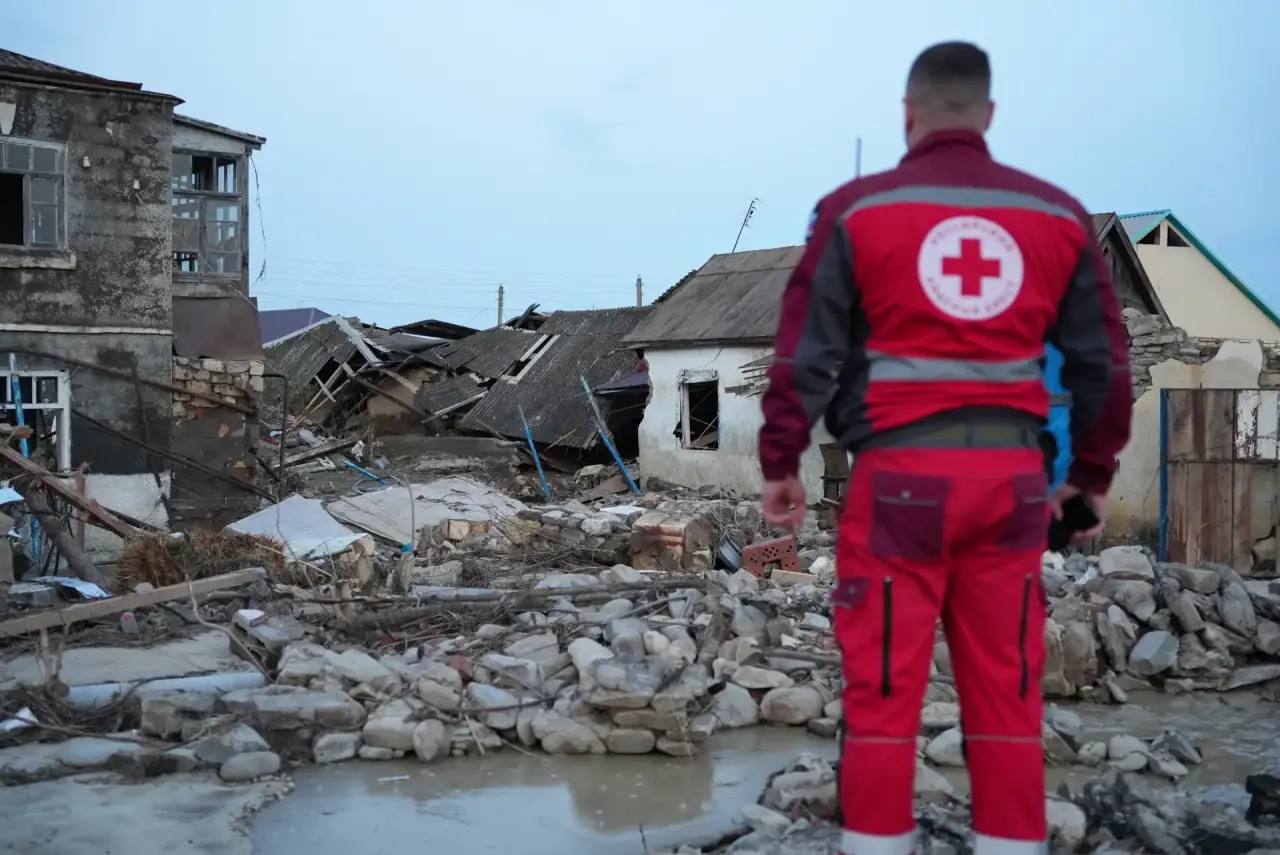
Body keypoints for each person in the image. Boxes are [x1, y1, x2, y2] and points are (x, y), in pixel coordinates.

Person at [758, 42, 1131, 855]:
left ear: (907, 113)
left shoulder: (855, 211)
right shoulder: (1058, 216)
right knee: (1007, 693)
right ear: (989, 114)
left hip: (898, 484)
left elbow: (805, 352)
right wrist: (1090, 476)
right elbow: (1103, 364)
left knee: (883, 692)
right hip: (1012, 487)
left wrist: (782, 461)